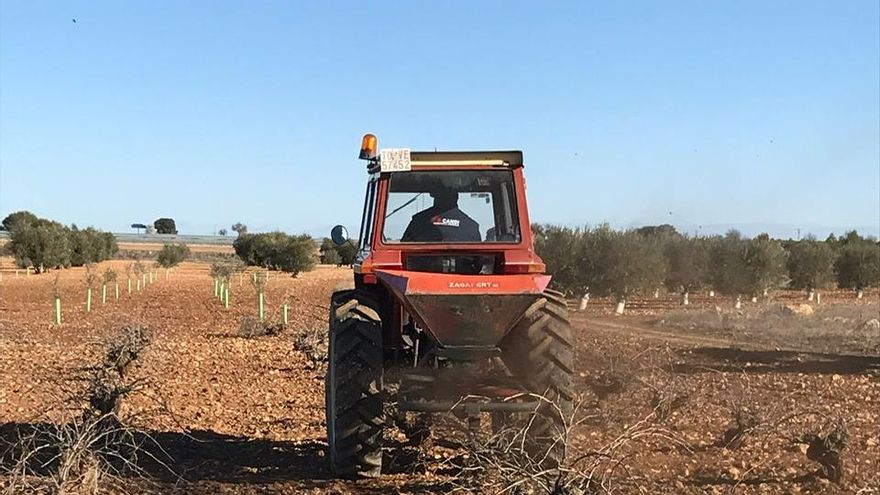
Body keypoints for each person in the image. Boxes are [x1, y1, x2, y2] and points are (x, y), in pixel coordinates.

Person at [401, 187, 481, 242]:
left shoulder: (418, 221)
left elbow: (402, 250)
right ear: (456, 196)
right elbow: (480, 261)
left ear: (433, 194)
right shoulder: (471, 226)